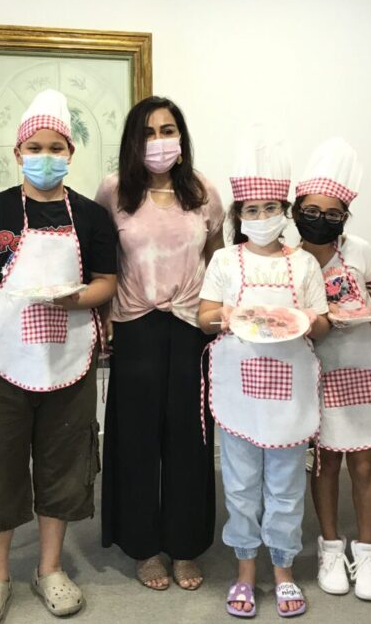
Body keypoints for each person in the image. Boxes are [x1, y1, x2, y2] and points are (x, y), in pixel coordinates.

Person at [0, 89, 117, 623]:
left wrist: (79, 299)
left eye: (55, 147)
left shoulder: (90, 216)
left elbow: (107, 281)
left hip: (69, 360)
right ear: (17, 153)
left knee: (64, 465)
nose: (45, 157)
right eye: (35, 147)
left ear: (70, 153)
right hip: (3, 361)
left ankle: (49, 568)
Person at [198, 128, 330, 618]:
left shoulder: (304, 265)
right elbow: (203, 316)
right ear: (239, 215)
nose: (260, 217)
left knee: (286, 486)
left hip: (289, 395)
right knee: (240, 484)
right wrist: (222, 316)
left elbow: (322, 324)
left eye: (269, 208)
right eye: (251, 210)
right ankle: (246, 571)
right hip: (240, 393)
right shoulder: (224, 260)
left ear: (284, 211)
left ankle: (284, 570)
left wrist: (310, 320)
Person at [96, 95, 224, 591]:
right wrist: (103, 314)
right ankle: (144, 546)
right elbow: (102, 259)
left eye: (167, 130)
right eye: (148, 132)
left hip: (193, 327)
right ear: (133, 140)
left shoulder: (203, 192)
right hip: (135, 326)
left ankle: (185, 545)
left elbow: (217, 259)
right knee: (136, 440)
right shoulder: (114, 191)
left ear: (181, 138)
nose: (159, 141)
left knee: (191, 439)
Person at [293, 137, 371, 603]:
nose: (321, 220)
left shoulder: (359, 251)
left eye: (332, 213)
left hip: (362, 364)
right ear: (296, 210)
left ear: (345, 217)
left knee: (364, 462)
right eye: (311, 211)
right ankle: (330, 548)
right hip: (314, 369)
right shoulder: (288, 260)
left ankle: (367, 552)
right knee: (325, 463)